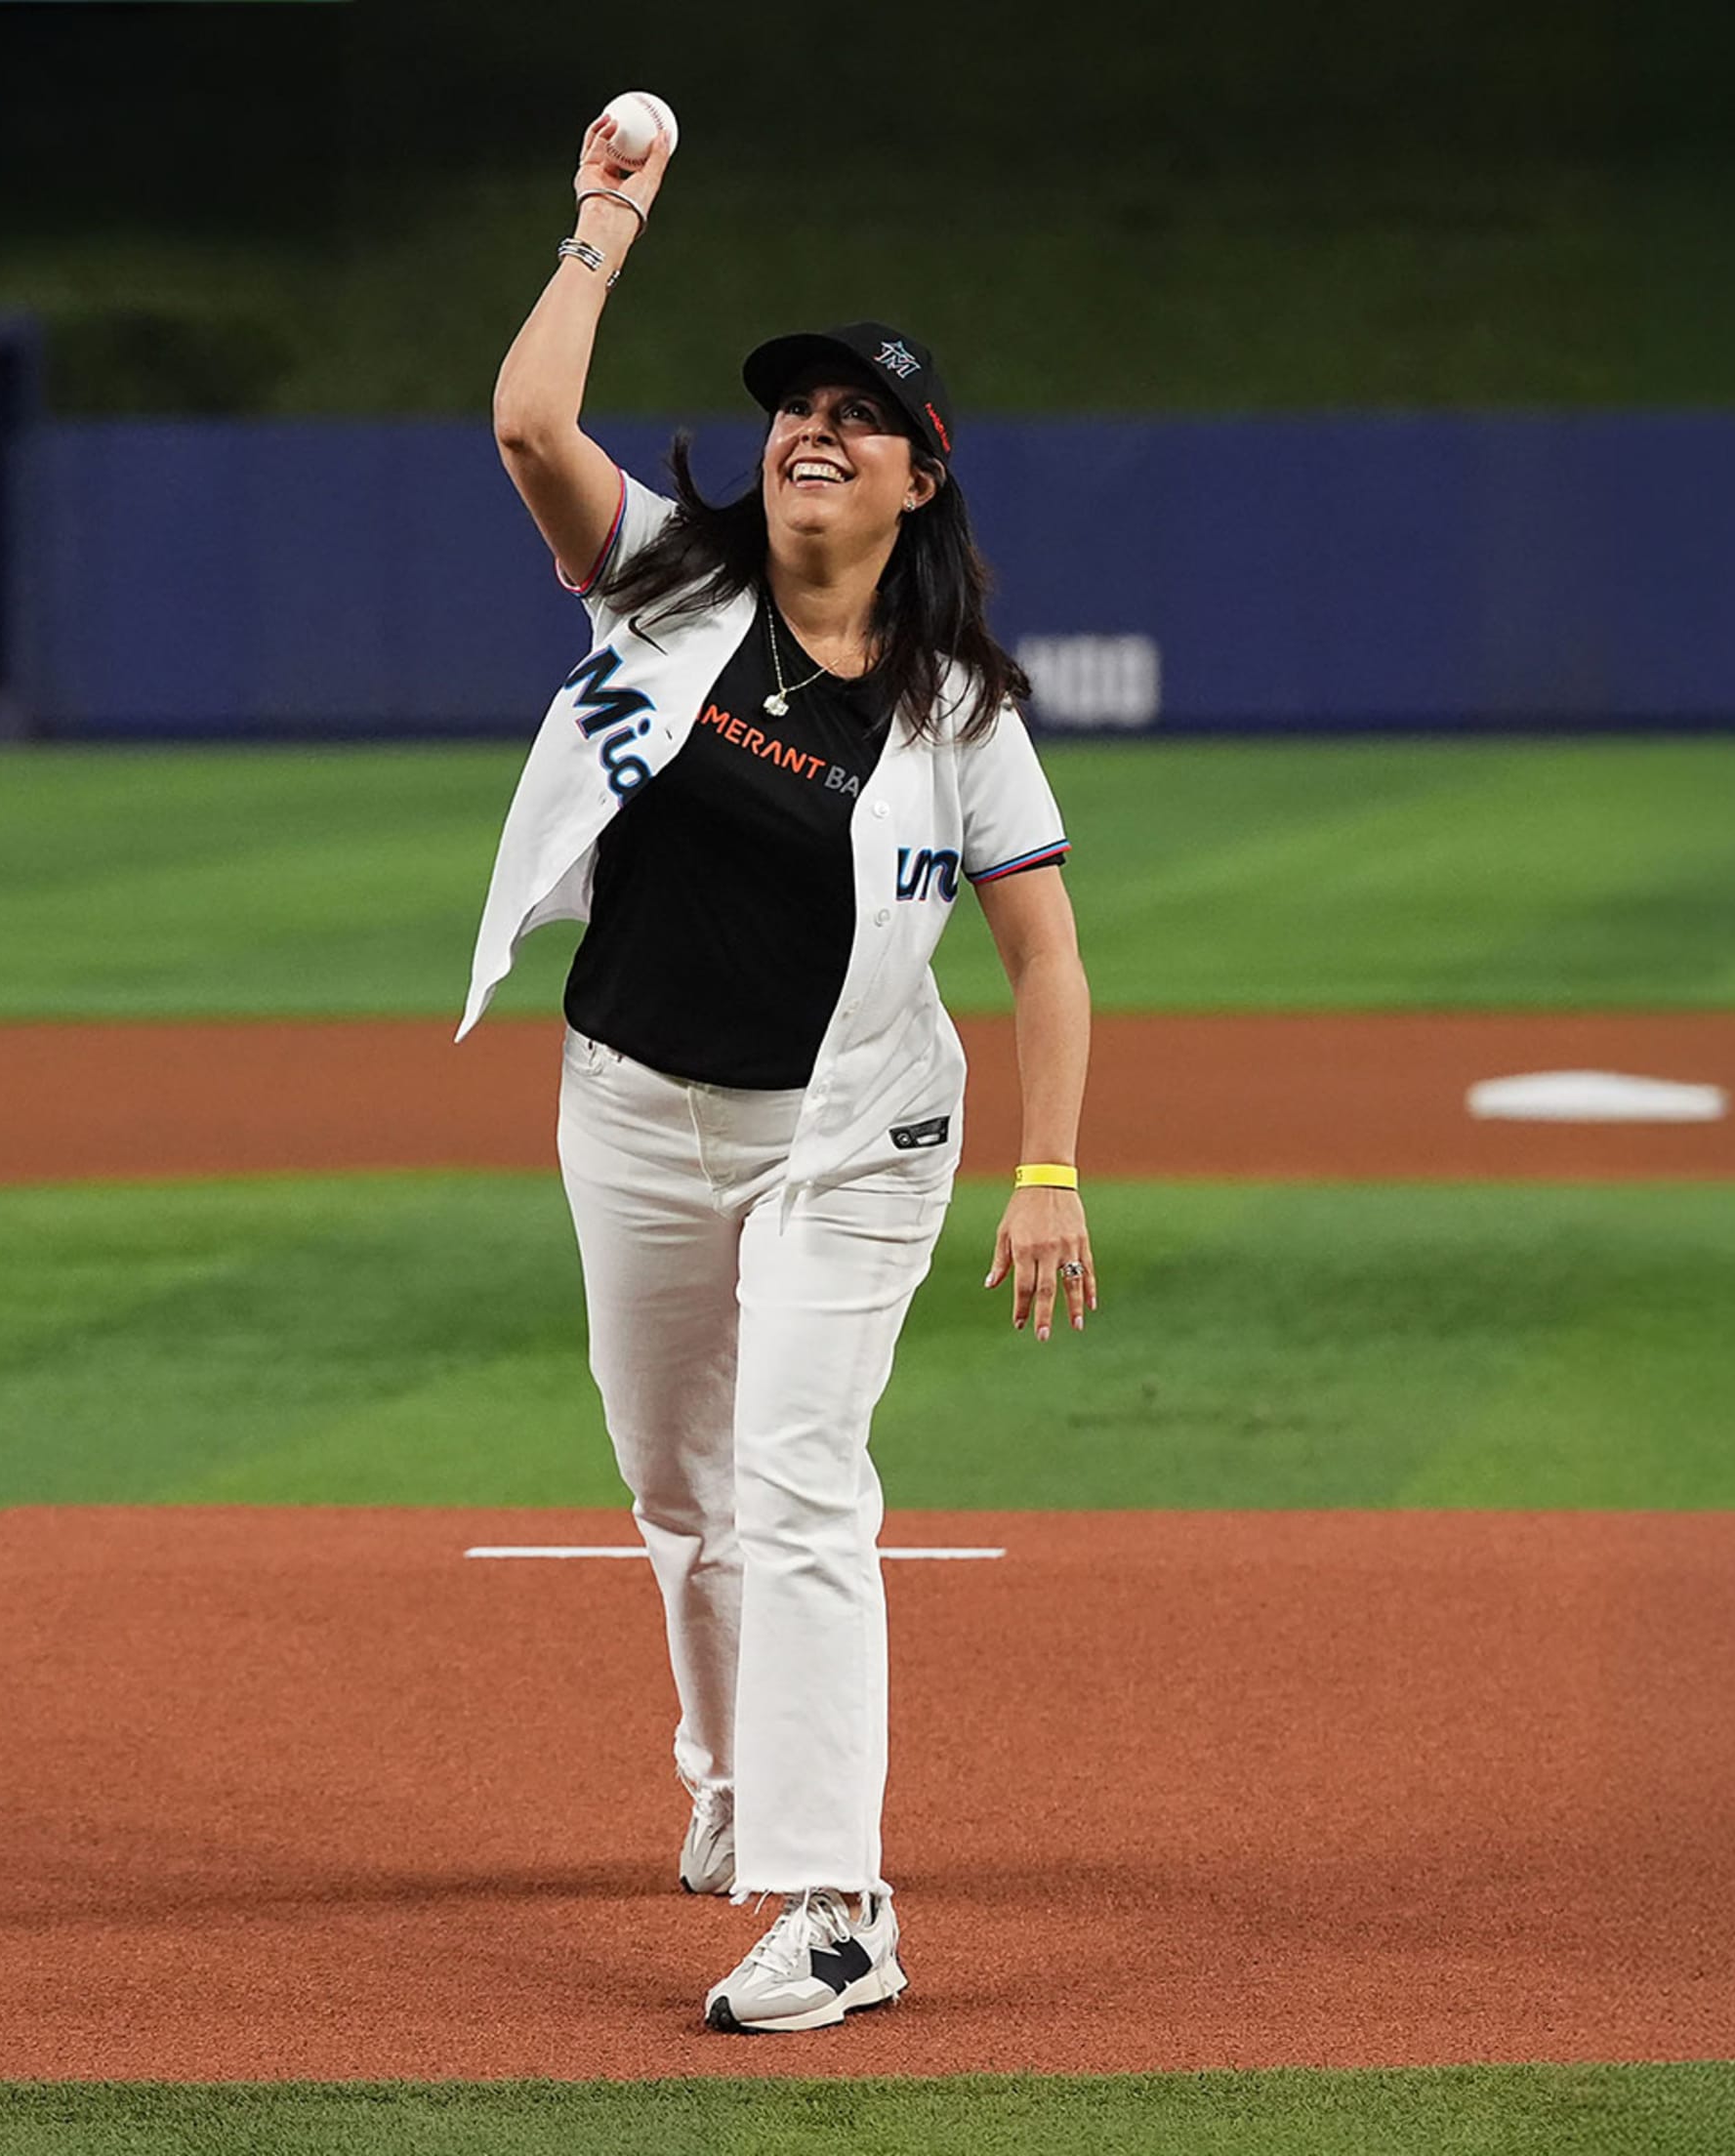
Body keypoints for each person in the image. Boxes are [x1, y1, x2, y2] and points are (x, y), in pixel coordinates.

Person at [461, 110, 1095, 2034]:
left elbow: (1046, 952)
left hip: (857, 1138)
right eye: (790, 406)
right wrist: (600, 228)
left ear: (921, 475)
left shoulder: (961, 704)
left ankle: (839, 1907)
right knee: (674, 1480)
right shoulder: (661, 588)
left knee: (800, 1477)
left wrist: (1049, 1171)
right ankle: (733, 1779)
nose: (809, 425)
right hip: (630, 1105)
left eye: (854, 410)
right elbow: (524, 429)